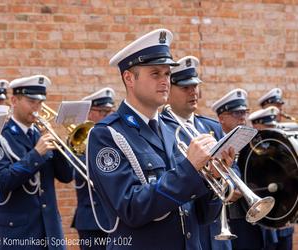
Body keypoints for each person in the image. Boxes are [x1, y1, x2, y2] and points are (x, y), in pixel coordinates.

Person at [87, 28, 235, 250]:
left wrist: (212, 179)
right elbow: (131, 208)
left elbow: (202, 216)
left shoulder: (174, 128)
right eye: (155, 73)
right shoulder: (107, 135)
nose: (165, 80)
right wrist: (190, 168)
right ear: (129, 78)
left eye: (167, 74)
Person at [161, 55, 233, 250]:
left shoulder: (211, 127)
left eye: (195, 86)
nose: (193, 91)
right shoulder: (161, 128)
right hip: (187, 223)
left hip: (214, 219)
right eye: (185, 87)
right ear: (169, 90)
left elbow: (227, 175)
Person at [0, 75, 73, 250]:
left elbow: (67, 176)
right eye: (32, 101)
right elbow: (3, 181)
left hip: (50, 231)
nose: (37, 108)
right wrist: (36, 154)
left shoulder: (41, 134)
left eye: (40, 103)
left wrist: (60, 147)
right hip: (19, 235)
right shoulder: (1, 135)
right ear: (14, 100)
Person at [212, 89, 278, 250]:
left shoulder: (253, 144)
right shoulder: (215, 144)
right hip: (235, 218)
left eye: (244, 112)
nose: (242, 117)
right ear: (221, 118)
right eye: (236, 113)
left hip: (258, 215)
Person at [72, 87, 115, 250]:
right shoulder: (78, 140)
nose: (109, 116)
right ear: (90, 113)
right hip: (92, 220)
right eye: (104, 112)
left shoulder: (116, 137)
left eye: (111, 111)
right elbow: (79, 169)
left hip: (118, 217)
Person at [248, 106, 295, 250]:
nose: (274, 130)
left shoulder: (281, 148)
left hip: (282, 212)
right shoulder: (252, 153)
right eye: (269, 126)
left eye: (274, 126)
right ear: (257, 126)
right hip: (262, 217)